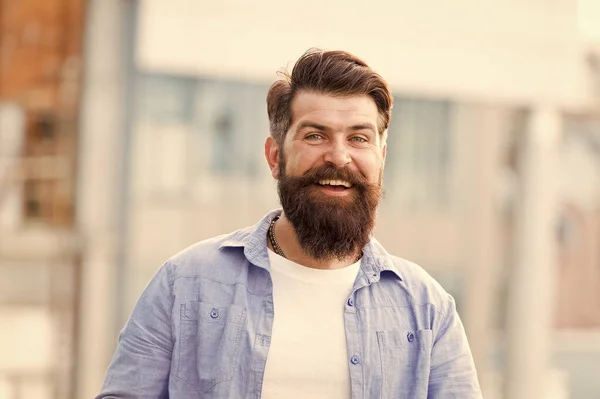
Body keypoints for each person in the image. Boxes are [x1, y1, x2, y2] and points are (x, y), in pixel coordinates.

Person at [97, 48, 482, 399]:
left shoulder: (427, 309)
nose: (339, 156)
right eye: (315, 135)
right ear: (274, 156)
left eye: (358, 138)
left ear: (381, 157)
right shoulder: (185, 284)